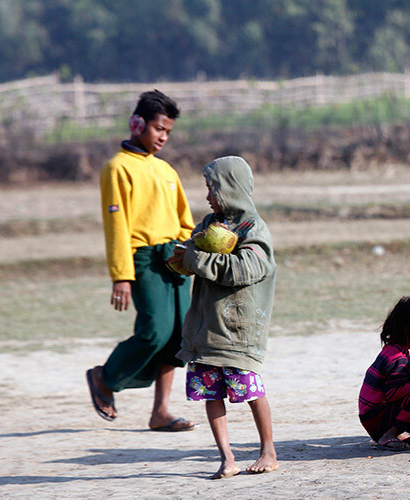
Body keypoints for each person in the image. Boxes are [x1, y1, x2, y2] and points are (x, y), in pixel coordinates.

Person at [85, 89, 197, 432]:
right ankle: (105, 377)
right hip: (144, 259)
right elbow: (116, 225)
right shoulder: (116, 168)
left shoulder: (166, 170)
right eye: (158, 129)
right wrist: (121, 275)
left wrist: (191, 254)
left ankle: (160, 411)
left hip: (175, 257)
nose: (163, 137)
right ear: (137, 124)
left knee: (178, 336)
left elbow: (185, 220)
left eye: (168, 132)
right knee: (153, 331)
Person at [175, 155, 278, 479]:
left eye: (212, 188)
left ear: (230, 188)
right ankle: (227, 457)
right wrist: (182, 258)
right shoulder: (208, 225)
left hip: (236, 329)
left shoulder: (253, 229)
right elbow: (193, 257)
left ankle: (268, 451)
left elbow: (245, 269)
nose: (207, 196)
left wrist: (197, 258)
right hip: (207, 329)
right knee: (211, 393)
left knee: (250, 390)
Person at [358, 297, 410, 451]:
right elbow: (393, 393)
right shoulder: (398, 359)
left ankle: (399, 432)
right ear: (409, 330)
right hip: (375, 417)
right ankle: (389, 434)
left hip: (374, 414)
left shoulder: (395, 350)